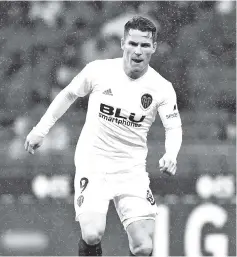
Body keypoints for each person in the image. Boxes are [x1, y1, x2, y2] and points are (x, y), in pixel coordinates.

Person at [25, 16, 182, 256]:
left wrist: (171, 154)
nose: (137, 51)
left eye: (144, 45)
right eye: (132, 43)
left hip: (131, 170)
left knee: (144, 247)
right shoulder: (99, 71)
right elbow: (68, 94)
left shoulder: (161, 87)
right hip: (94, 163)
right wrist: (41, 129)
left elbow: (173, 127)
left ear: (154, 48)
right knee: (92, 233)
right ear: (122, 44)